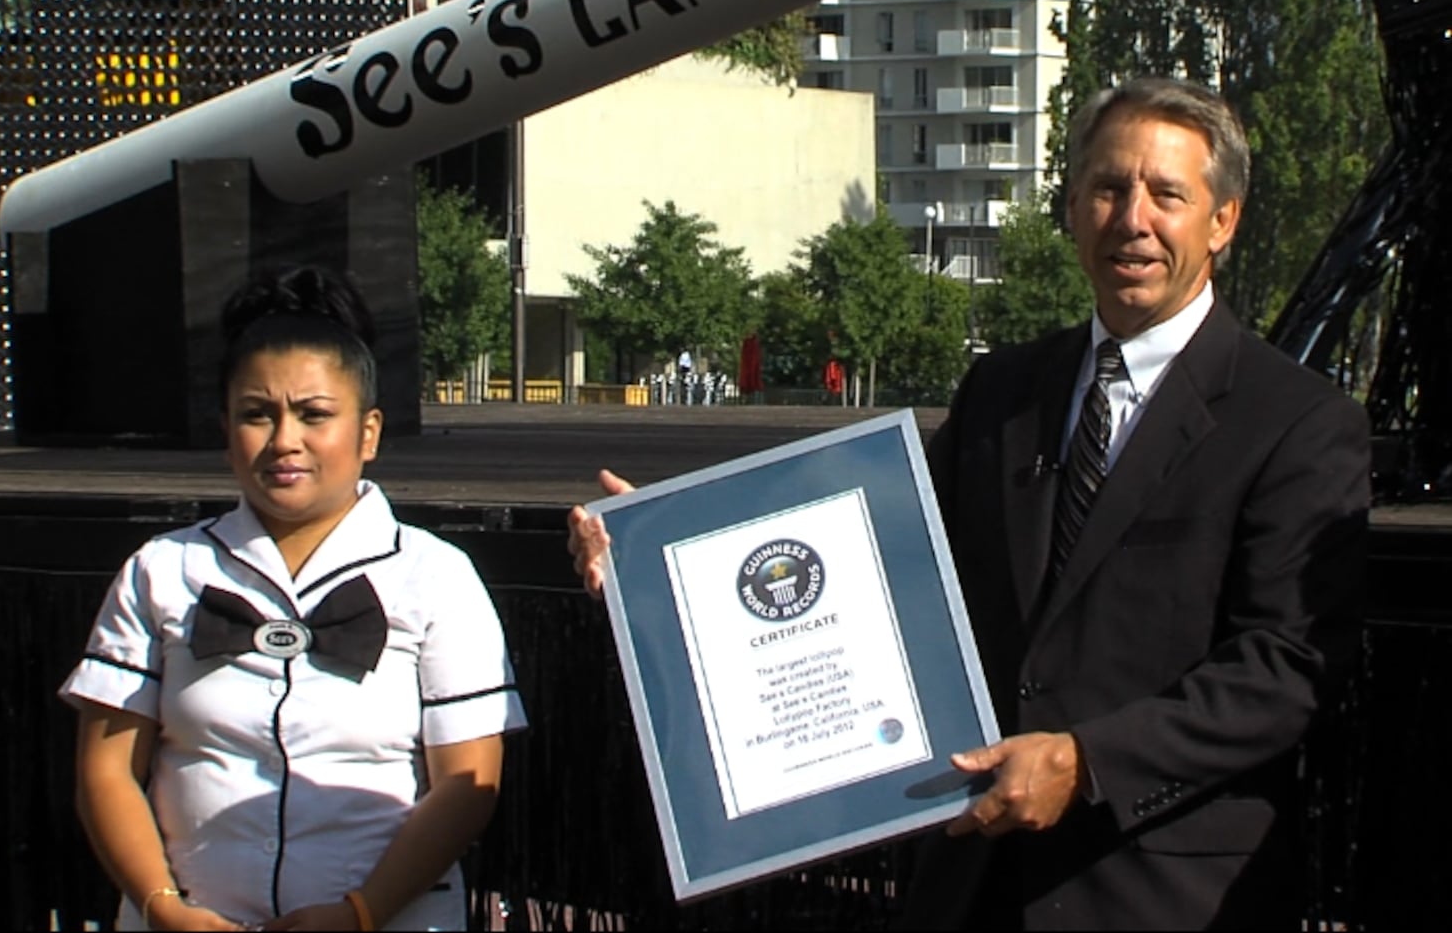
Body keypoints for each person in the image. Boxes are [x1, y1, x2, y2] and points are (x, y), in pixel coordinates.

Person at [567, 78, 1370, 929]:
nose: (1132, 219)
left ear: (1222, 222)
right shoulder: (1002, 390)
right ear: (1070, 210)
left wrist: (1086, 761)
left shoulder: (1298, 424)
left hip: (1159, 893)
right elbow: (873, 551)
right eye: (1106, 189)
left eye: (1166, 194)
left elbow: (1287, 668)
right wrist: (660, 553)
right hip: (966, 883)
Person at [60, 266, 527, 931]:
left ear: (368, 433)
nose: (284, 441)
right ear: (225, 428)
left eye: (314, 415)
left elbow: (467, 782)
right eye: (257, 415)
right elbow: (105, 769)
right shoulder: (161, 571)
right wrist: (162, 908)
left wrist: (361, 913)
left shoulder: (437, 576)